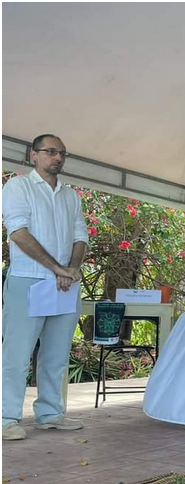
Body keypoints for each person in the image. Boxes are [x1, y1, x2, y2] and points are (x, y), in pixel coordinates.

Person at [2, 134, 89, 441]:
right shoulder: (18, 186)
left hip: (64, 283)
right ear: (33, 155)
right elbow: (19, 233)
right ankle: (6, 417)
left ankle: (50, 413)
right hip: (29, 280)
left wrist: (72, 269)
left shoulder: (70, 195)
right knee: (17, 352)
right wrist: (57, 268)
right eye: (50, 152)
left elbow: (81, 236)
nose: (57, 158)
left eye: (62, 153)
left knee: (56, 353)